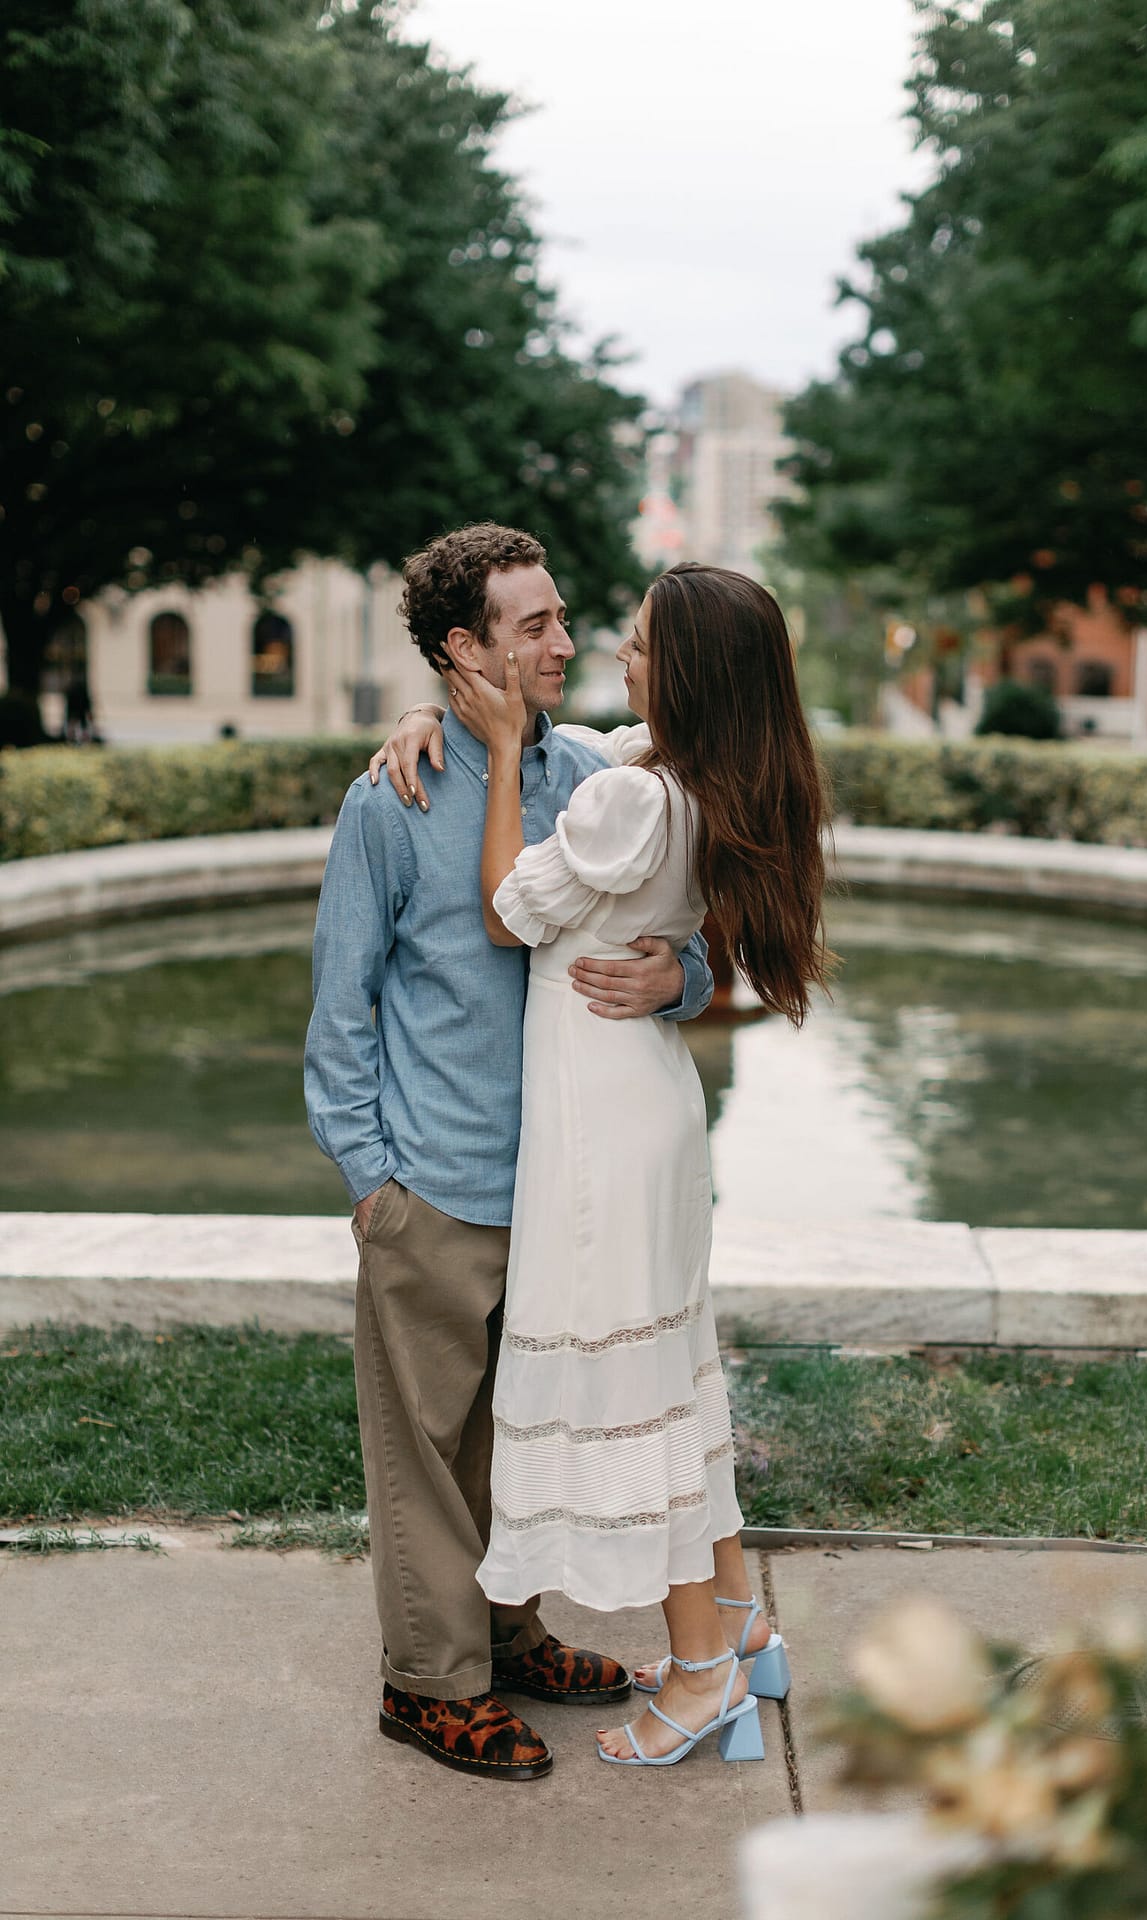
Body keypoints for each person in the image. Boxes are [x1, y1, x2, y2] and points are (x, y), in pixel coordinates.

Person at [380, 561, 829, 1768]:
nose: (611, 657)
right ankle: (737, 1624)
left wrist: (498, 759)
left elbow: (505, 912)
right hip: (646, 1102)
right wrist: (439, 711)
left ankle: (698, 1675)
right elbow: (574, 744)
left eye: (635, 644)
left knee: (632, 1391)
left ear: (685, 673)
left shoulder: (631, 796)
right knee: (673, 1372)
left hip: (601, 1119)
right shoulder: (685, 771)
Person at [304, 523, 715, 1785]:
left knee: (515, 1432)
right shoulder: (391, 800)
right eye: (531, 626)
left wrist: (680, 980)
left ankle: (507, 1635)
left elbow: (693, 925)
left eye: (560, 618)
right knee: (426, 1456)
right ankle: (431, 1684)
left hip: (562, 1189)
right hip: (434, 1189)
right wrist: (373, 1185)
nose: (562, 643)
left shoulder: (592, 769)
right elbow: (340, 1014)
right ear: (463, 649)